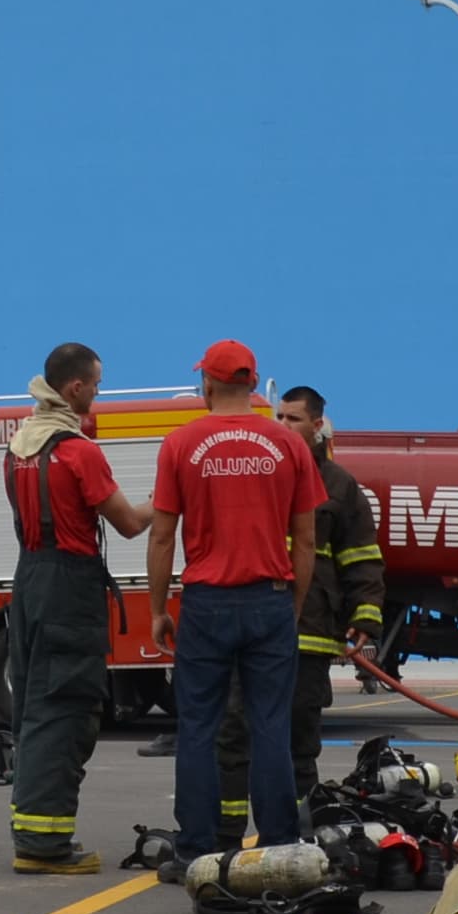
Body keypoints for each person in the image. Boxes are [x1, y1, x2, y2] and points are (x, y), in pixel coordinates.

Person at [143, 343, 322, 857]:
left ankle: (194, 849)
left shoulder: (180, 444)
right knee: (271, 725)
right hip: (269, 600)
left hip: (206, 602)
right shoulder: (288, 446)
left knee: (198, 727)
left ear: (208, 385)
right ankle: (279, 844)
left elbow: (161, 536)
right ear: (252, 382)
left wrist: (158, 610)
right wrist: (292, 602)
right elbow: (305, 540)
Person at [4, 343, 149, 873]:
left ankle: (31, 827)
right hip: (69, 587)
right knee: (66, 708)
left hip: (30, 581)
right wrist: (171, 498)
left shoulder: (19, 446)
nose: (99, 396)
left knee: (34, 706)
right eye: (97, 386)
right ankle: (43, 845)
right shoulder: (80, 450)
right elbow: (129, 523)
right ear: (75, 389)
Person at [216, 383, 384, 817]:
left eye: (294, 419)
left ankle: (297, 830)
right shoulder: (255, 470)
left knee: (299, 736)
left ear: (317, 425)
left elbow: (362, 556)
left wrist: (365, 616)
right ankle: (227, 832)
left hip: (309, 628)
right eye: (280, 418)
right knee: (235, 728)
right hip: (250, 622)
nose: (285, 427)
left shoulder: (339, 485)